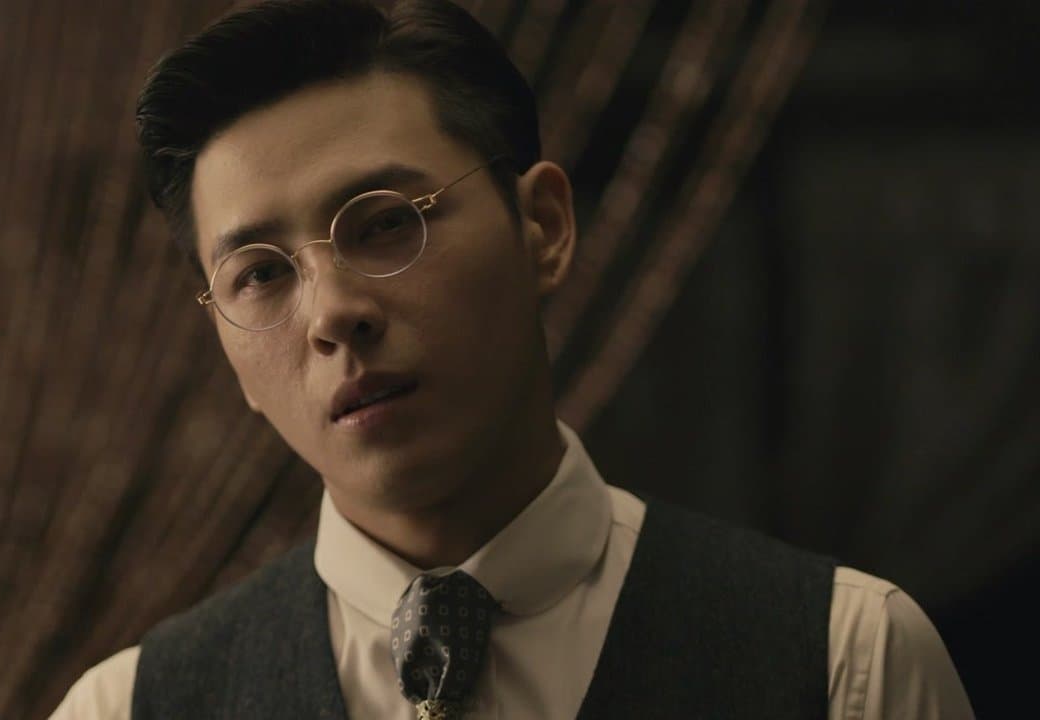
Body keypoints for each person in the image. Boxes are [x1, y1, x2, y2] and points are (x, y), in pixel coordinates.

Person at [51, 1, 974, 718]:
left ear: (543, 228)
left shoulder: (847, 661)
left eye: (386, 224)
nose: (332, 314)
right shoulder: (128, 708)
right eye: (259, 274)